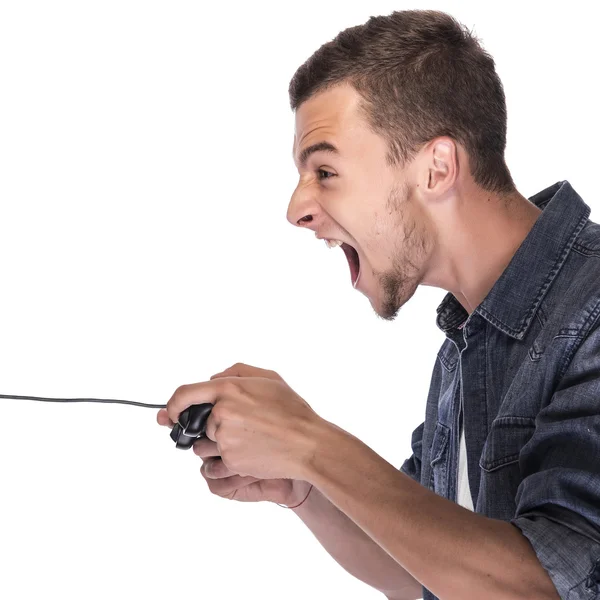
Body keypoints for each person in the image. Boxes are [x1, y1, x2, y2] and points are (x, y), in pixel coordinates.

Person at [157, 9, 600, 600]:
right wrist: (304, 486)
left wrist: (311, 443)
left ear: (436, 168)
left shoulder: (592, 307)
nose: (297, 208)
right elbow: (427, 568)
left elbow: (549, 586)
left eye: (326, 170)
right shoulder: (466, 348)